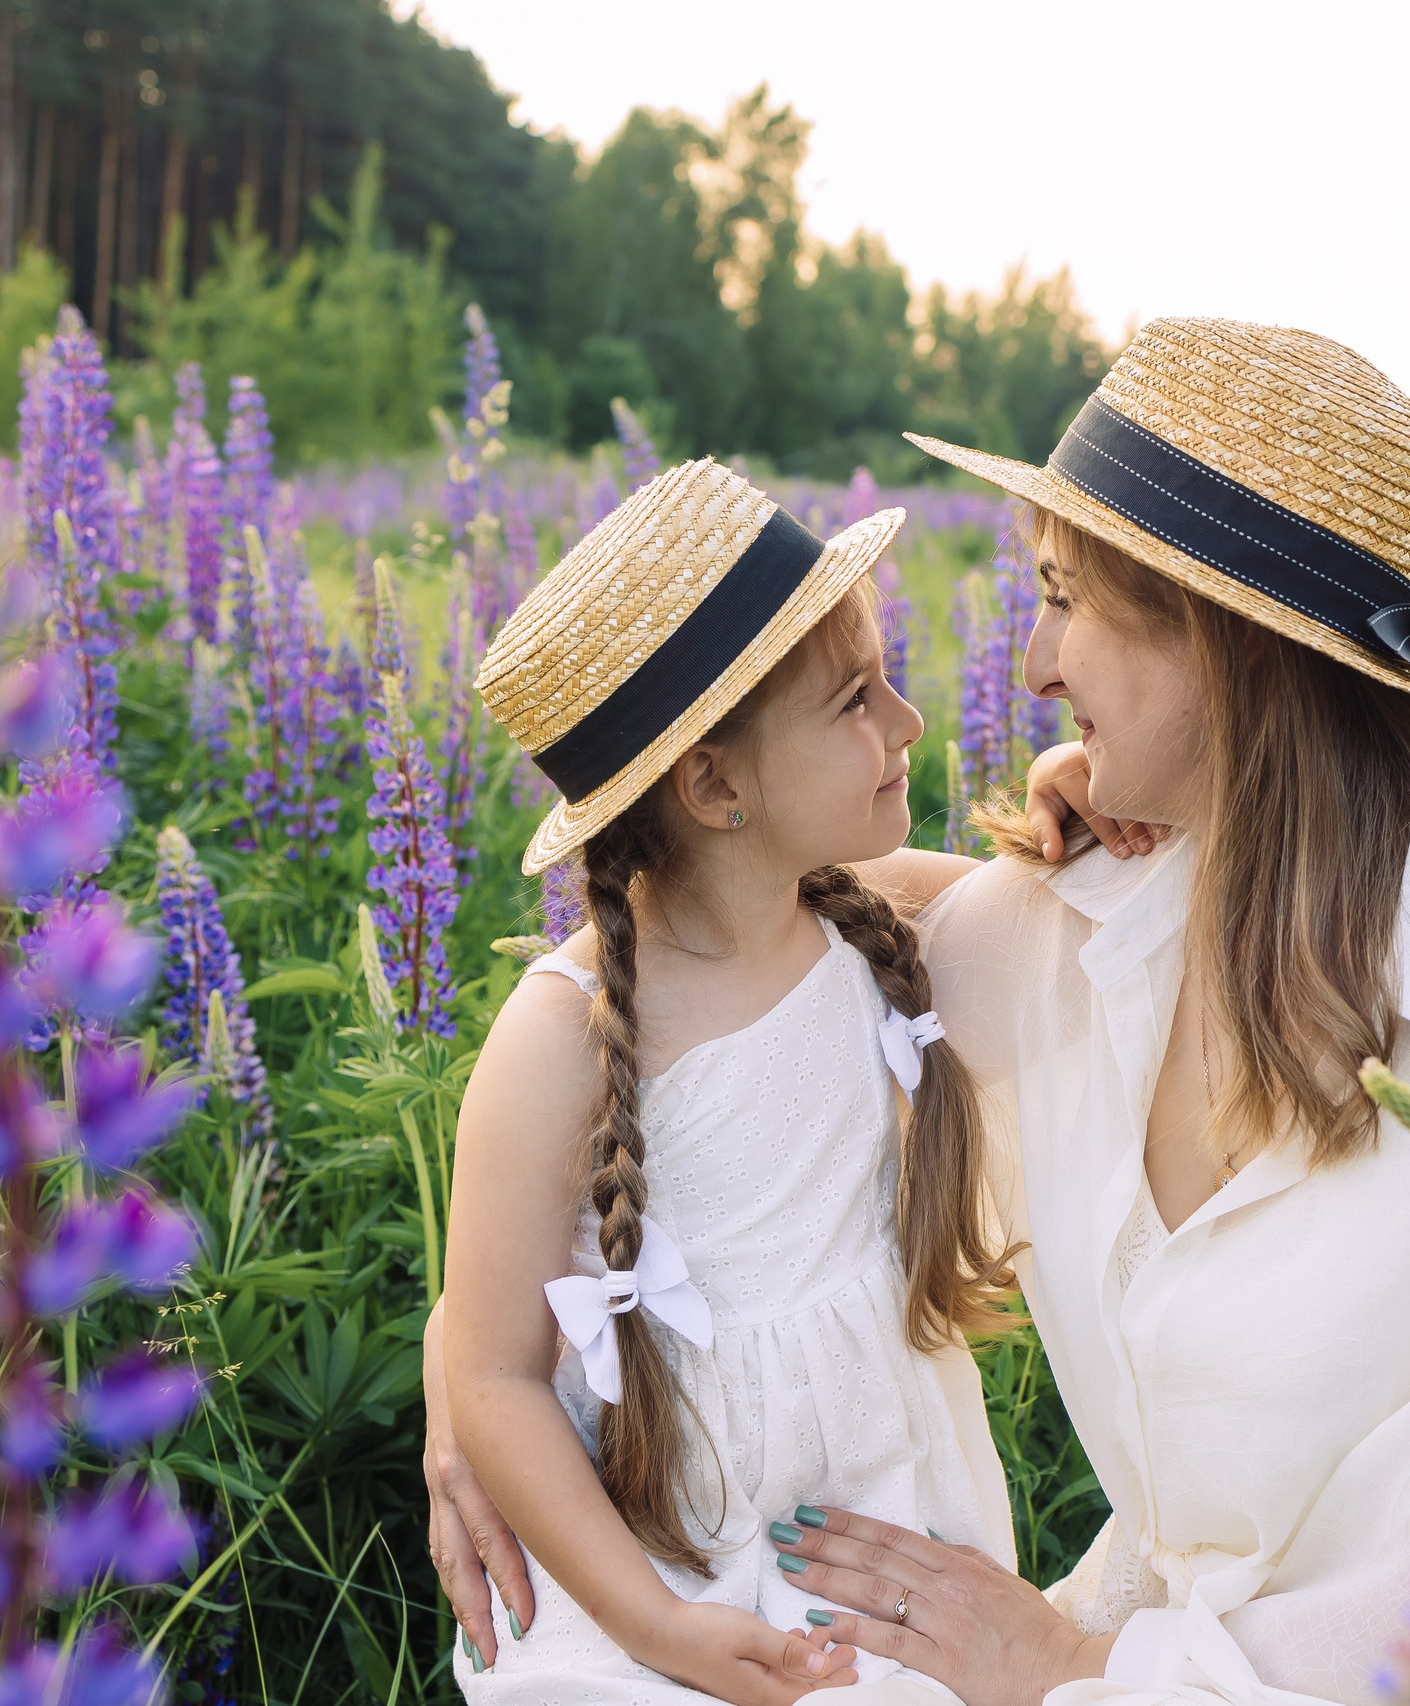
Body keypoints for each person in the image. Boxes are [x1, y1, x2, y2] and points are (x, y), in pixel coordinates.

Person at [431, 319, 1410, 1706]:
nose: (1031, 662)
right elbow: (699, 951)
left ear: (1223, 647)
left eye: (1064, 595)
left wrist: (1076, 1666)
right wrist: (478, 1392)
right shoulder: (1084, 921)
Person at [440, 458, 1018, 1705]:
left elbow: (1037, 892)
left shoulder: (875, 911)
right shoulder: (557, 1037)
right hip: (652, 1555)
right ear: (714, 785)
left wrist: (1069, 802)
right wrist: (650, 1624)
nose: (908, 723)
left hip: (872, 1506)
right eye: (857, 699)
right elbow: (488, 1370)